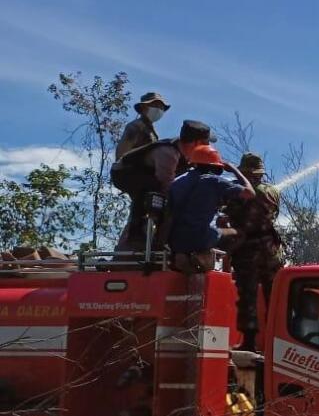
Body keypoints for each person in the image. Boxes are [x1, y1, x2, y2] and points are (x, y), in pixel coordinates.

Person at [113, 120, 215, 251]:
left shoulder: (187, 154)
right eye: (205, 144)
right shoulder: (168, 153)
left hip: (150, 175)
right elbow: (166, 184)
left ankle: (157, 237)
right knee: (155, 193)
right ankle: (136, 234)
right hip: (124, 172)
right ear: (196, 143)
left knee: (163, 198)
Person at [223, 153, 283, 349]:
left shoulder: (240, 194)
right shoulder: (273, 191)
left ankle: (249, 343)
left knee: (248, 298)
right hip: (272, 250)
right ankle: (278, 342)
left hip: (248, 252)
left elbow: (231, 217)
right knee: (274, 298)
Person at [166, 144, 255, 272]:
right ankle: (208, 258)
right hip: (200, 237)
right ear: (215, 166)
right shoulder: (214, 181)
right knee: (238, 234)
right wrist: (235, 170)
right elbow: (250, 193)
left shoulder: (177, 182)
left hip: (175, 239)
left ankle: (184, 257)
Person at [116, 91, 170, 160]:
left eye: (161, 108)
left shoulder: (153, 132)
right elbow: (121, 155)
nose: (158, 110)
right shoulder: (135, 127)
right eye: (155, 106)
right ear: (143, 107)